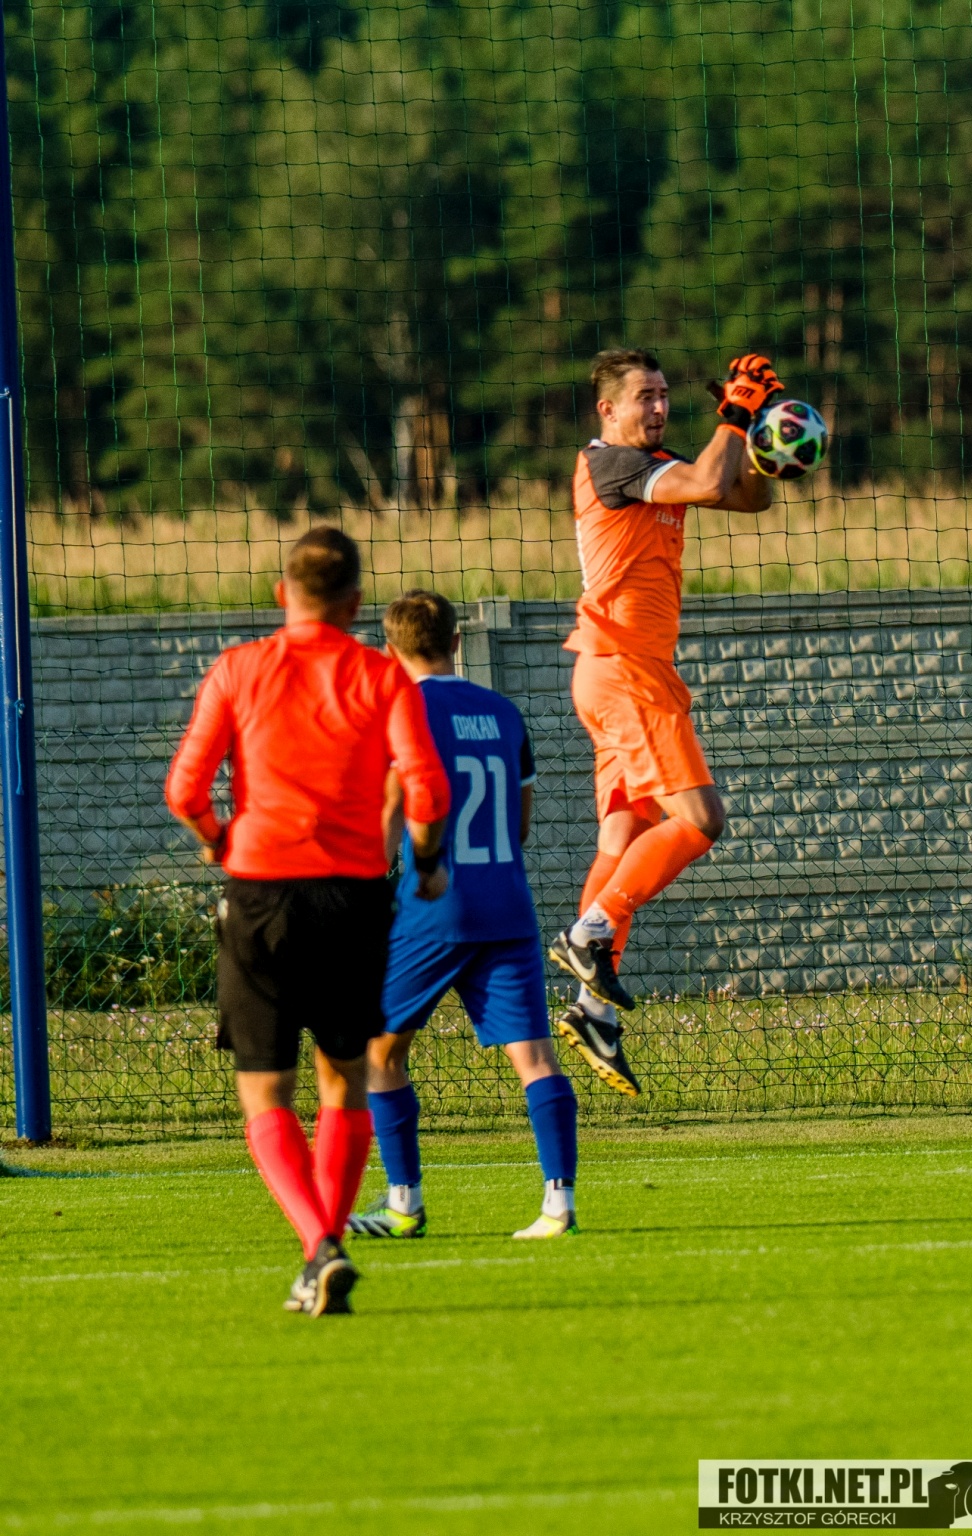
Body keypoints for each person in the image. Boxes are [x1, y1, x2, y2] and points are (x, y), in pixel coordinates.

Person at [165, 530, 450, 1316]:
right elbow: (426, 787)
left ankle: (319, 1244)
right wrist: (428, 861)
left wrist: (219, 840)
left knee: (265, 1092)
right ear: (356, 604)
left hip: (261, 892)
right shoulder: (381, 676)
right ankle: (325, 1247)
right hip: (352, 899)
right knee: (344, 1079)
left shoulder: (237, 669)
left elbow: (185, 789)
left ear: (281, 595)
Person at [549, 349, 779, 1096]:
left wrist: (763, 434)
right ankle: (589, 933)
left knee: (623, 841)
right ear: (607, 410)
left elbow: (746, 496)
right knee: (702, 820)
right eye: (644, 396)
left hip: (618, 670)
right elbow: (710, 481)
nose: (658, 406)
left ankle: (592, 1011)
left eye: (664, 394)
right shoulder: (612, 464)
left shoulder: (655, 463)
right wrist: (735, 413)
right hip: (625, 671)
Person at [348, 589, 579, 1242]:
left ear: (389, 651)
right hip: (507, 905)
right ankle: (558, 1204)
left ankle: (404, 1205)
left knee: (379, 1053)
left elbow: (389, 817)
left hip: (432, 906)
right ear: (456, 641)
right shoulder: (504, 713)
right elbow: (521, 826)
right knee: (535, 1057)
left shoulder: (397, 712)